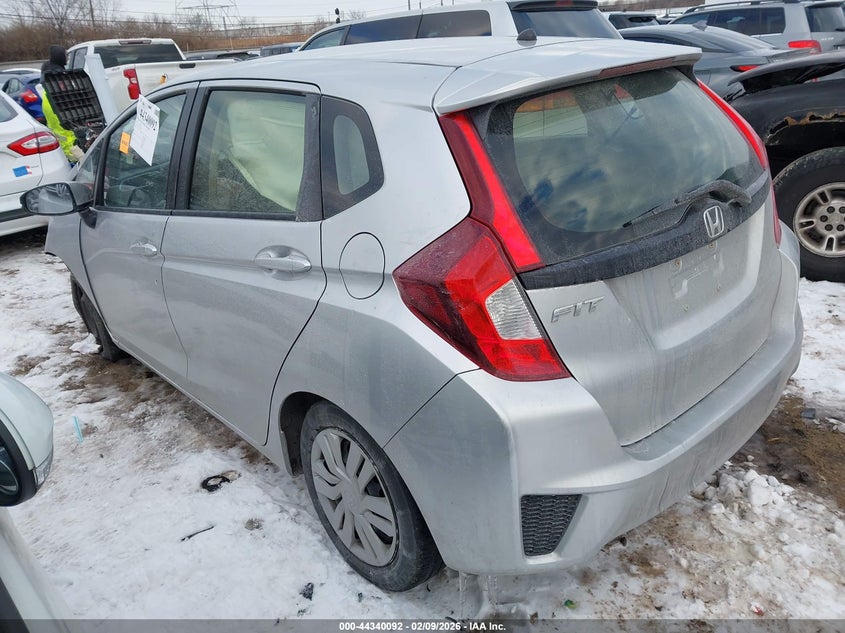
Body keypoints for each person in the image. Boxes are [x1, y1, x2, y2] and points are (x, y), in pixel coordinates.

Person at [39, 45, 84, 163]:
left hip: (63, 144)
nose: (68, 58)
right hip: (72, 145)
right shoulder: (59, 82)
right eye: (65, 55)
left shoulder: (47, 92)